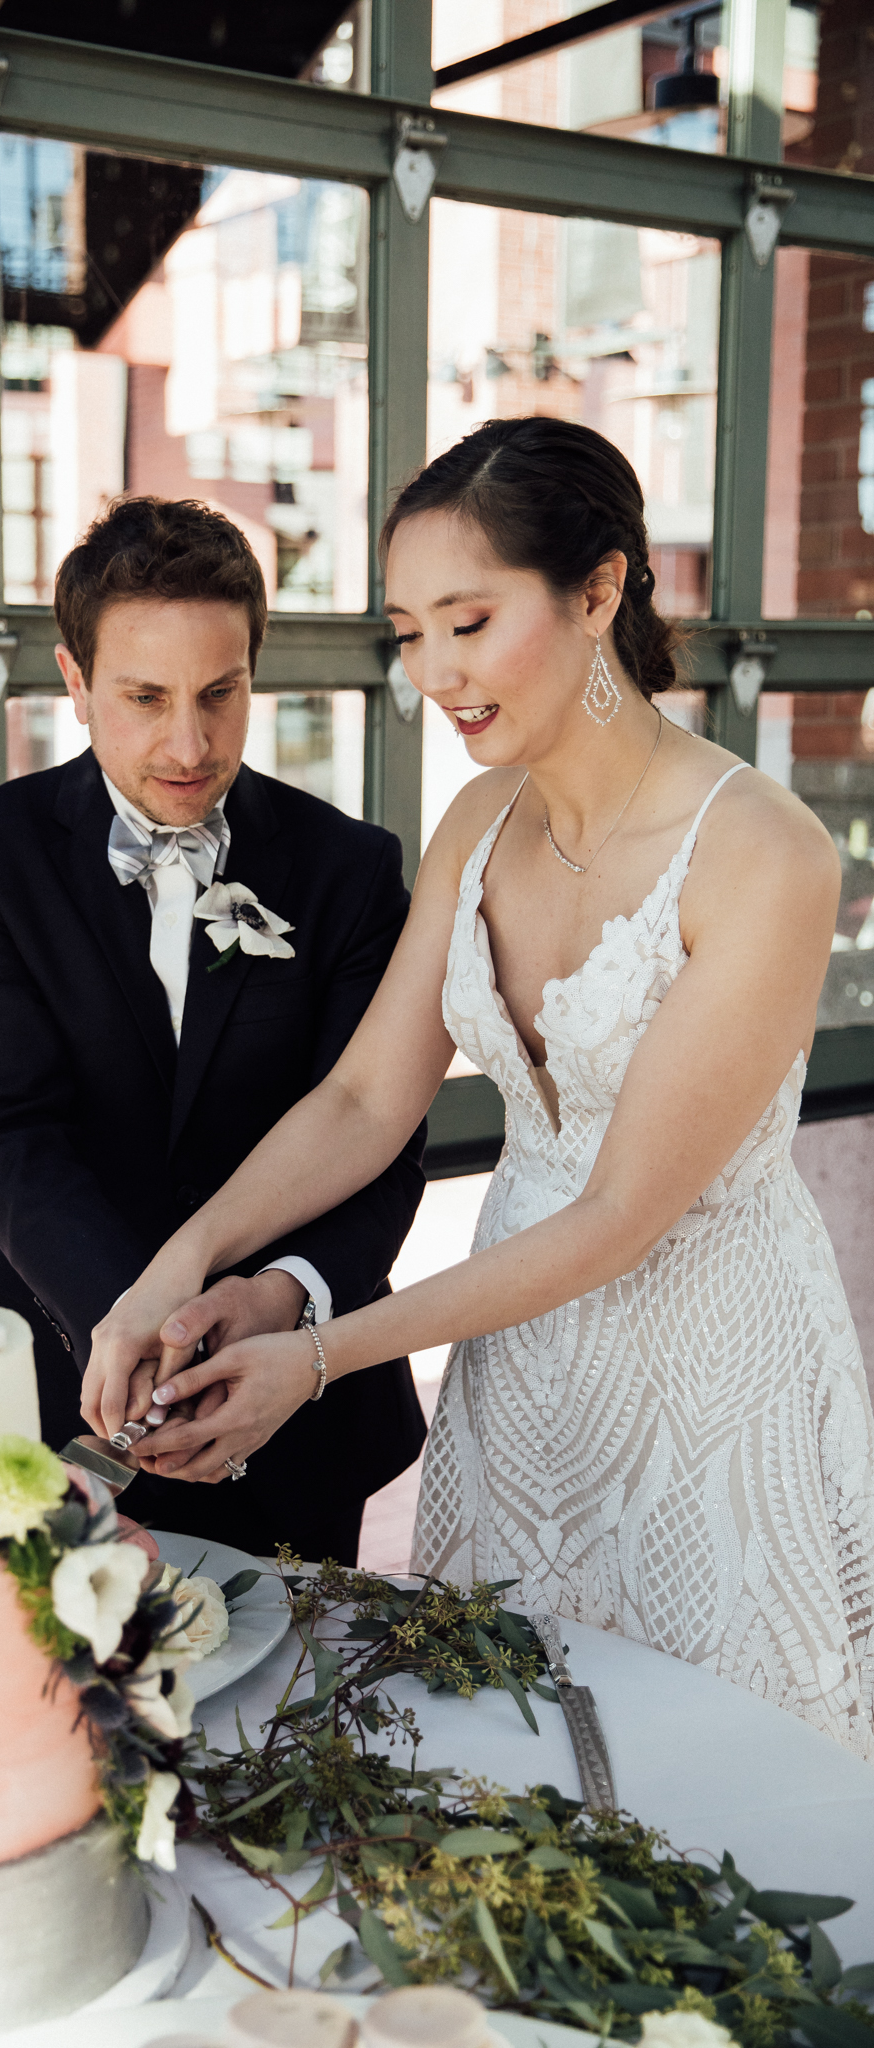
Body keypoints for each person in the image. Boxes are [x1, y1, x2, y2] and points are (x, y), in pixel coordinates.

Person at [87, 418, 874, 1759]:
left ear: (599, 593)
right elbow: (361, 1103)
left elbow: (624, 1211)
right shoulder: (476, 822)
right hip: (522, 1357)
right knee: (510, 1759)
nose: (434, 674)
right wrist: (178, 1266)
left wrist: (320, 1357)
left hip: (708, 1369)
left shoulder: (764, 854)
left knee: (721, 1786)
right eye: (408, 634)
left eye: (469, 620)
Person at [0, 496, 427, 1564]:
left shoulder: (351, 869)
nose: (188, 743)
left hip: (299, 1406)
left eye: (219, 693)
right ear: (74, 679)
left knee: (294, 1714)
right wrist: (135, 1325)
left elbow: (381, 1136)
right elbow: (7, 1131)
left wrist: (282, 1295)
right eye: (144, 697)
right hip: (63, 1385)